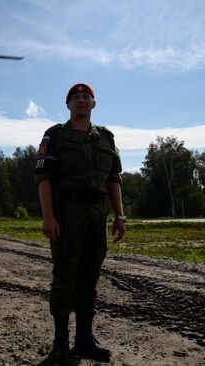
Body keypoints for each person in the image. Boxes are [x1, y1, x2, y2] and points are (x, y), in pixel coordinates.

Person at [34, 83, 126, 364]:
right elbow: (44, 178)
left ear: (93, 104)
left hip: (97, 217)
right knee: (64, 278)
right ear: (68, 105)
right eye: (76, 97)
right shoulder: (55, 136)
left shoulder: (106, 138)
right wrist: (48, 216)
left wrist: (119, 215)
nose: (81, 100)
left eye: (86, 96)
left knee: (90, 278)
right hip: (67, 217)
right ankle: (60, 344)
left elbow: (114, 179)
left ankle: (84, 339)